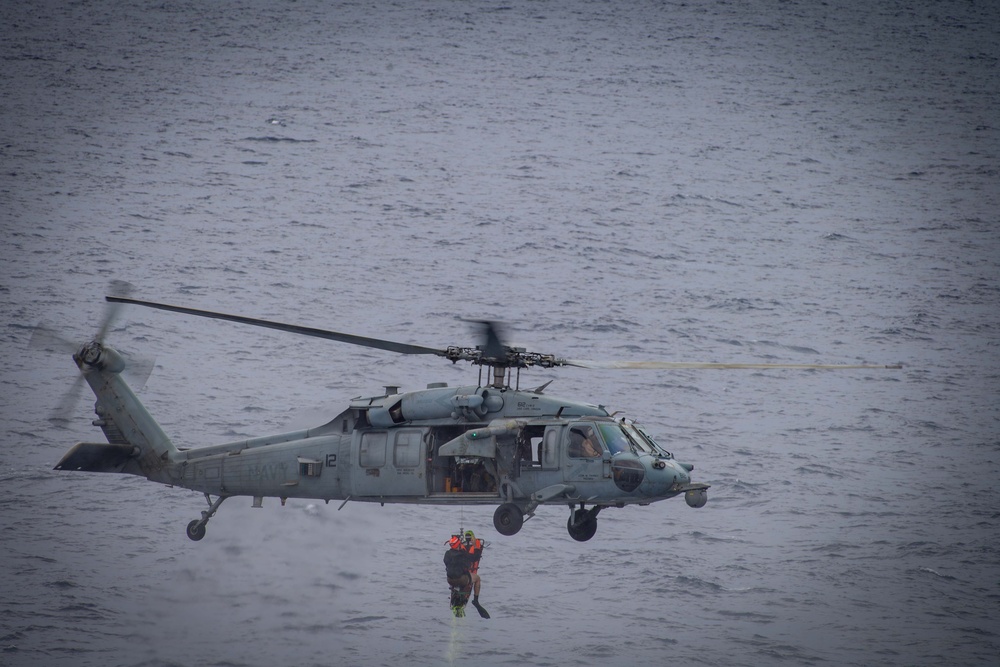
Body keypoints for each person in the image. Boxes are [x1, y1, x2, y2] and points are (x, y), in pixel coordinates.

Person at [444, 530, 490, 619]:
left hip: (449, 579)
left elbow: (446, 563)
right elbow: (474, 559)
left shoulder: (447, 554)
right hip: (461, 579)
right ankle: (476, 600)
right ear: (458, 545)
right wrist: (476, 546)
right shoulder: (463, 554)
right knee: (477, 579)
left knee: (459, 577)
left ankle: (456, 594)